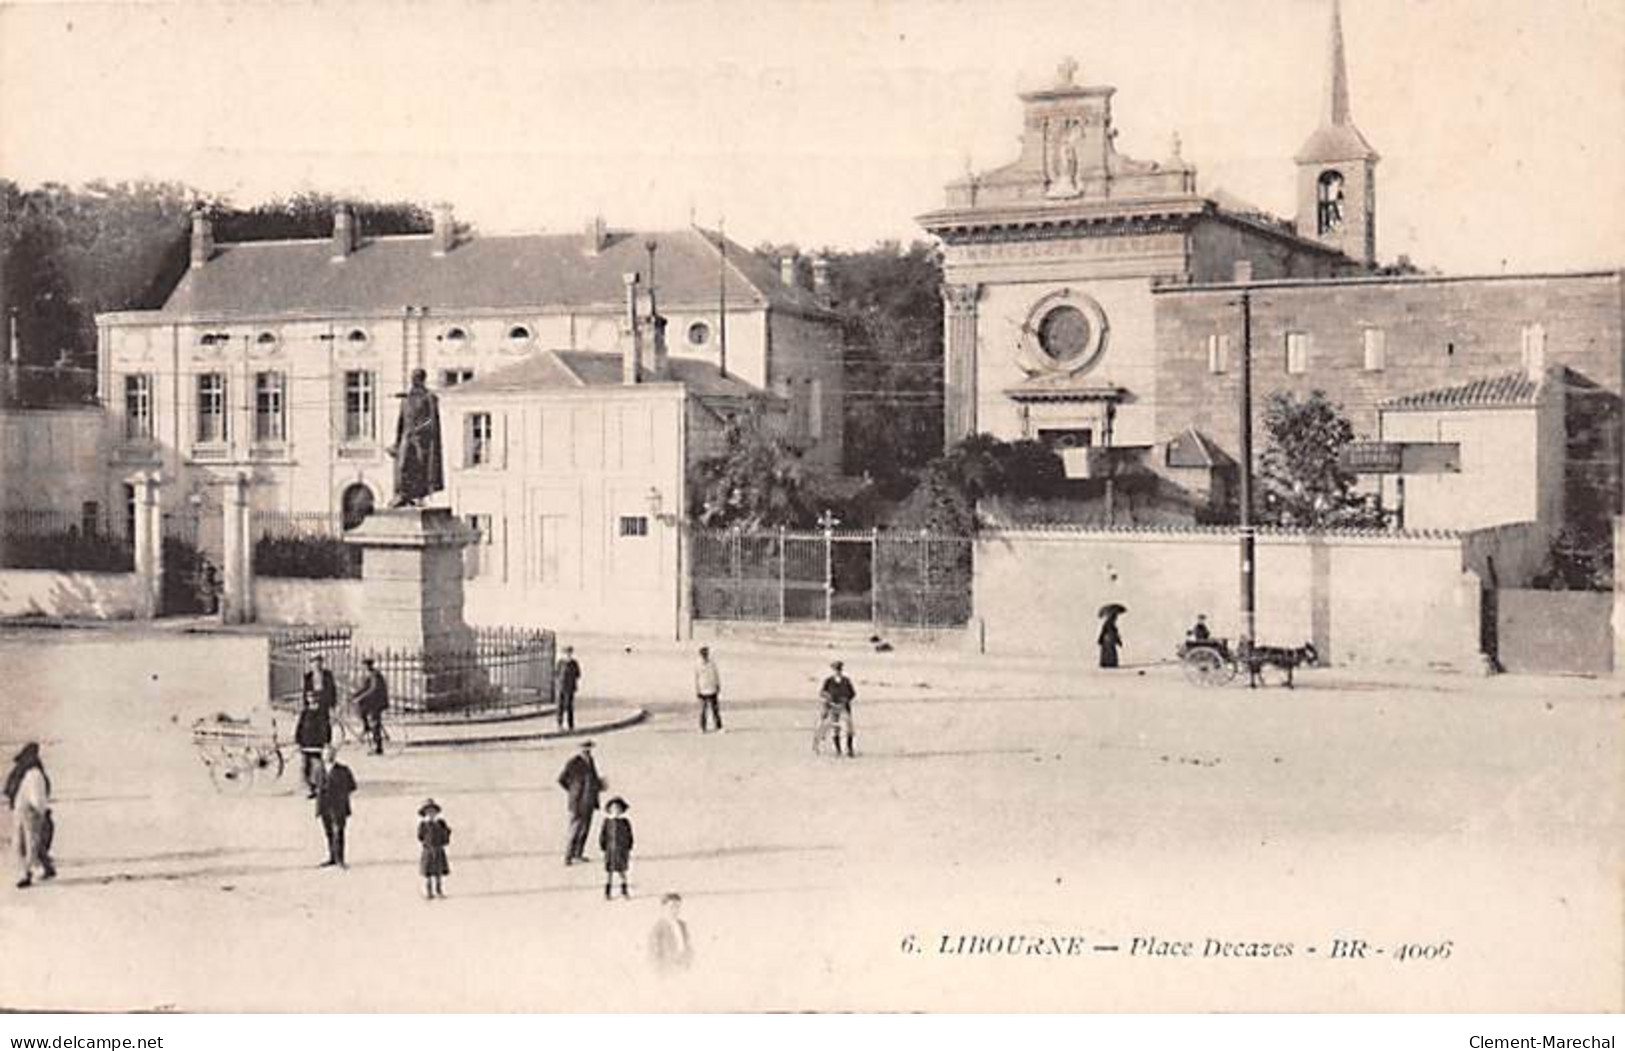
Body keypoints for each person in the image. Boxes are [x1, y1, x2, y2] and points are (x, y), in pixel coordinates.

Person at [388, 368, 444, 508]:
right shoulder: (406, 399)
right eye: (413, 377)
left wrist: (419, 428)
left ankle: (415, 495)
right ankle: (403, 494)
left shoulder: (429, 397)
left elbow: (431, 421)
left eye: (417, 377)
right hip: (407, 437)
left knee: (419, 468)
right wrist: (397, 441)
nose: (414, 380)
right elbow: (400, 422)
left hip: (422, 440)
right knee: (402, 466)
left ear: (422, 379)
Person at [6, 742, 55, 889]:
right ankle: (41, 869)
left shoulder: (28, 774)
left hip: (28, 812)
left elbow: (34, 797)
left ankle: (26, 873)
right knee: (33, 843)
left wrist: (40, 810)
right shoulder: (35, 773)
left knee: (26, 844)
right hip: (28, 812)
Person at [557, 740, 604, 865]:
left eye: (588, 748)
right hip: (577, 802)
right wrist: (573, 790)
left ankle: (578, 854)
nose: (587, 750)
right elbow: (561, 779)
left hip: (589, 801)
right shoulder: (574, 762)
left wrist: (599, 785)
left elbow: (593, 779)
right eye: (584, 748)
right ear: (579, 749)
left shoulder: (591, 761)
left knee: (585, 830)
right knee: (575, 829)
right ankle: (568, 856)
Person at [315, 745, 357, 868]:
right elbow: (315, 784)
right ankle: (332, 857)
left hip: (338, 806)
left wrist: (341, 795)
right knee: (328, 833)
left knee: (339, 832)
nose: (327, 757)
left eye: (330, 754)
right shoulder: (319, 769)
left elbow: (352, 786)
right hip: (324, 806)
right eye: (325, 755)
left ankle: (340, 859)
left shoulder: (343, 770)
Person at [294, 693, 332, 798]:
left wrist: (327, 741)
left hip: (317, 742)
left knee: (317, 765)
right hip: (306, 742)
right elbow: (300, 726)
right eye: (310, 698)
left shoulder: (322, 712)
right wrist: (298, 739)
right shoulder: (305, 712)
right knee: (306, 766)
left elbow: (326, 727)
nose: (311, 700)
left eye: (313, 698)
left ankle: (319, 786)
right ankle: (311, 787)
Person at [817, 660, 856, 758]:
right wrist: (828, 698)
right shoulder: (828, 681)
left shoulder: (846, 680)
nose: (837, 671)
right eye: (836, 669)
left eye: (839, 669)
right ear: (833, 670)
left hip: (844, 707)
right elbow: (822, 692)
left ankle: (849, 748)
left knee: (849, 728)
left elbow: (852, 693)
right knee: (835, 729)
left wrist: (846, 699)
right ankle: (838, 750)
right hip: (832, 707)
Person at [351, 657, 390, 756]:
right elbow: (364, 688)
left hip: (377, 702)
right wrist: (354, 695)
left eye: (364, 666)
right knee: (360, 711)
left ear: (368, 666)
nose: (362, 668)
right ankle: (366, 726)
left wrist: (360, 698)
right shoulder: (369, 675)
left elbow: (373, 689)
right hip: (372, 702)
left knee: (374, 723)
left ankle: (378, 747)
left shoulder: (375, 675)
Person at [648, 893, 694, 975]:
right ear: (664, 908)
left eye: (678, 907)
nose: (675, 910)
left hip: (684, 968)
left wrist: (689, 962)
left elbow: (688, 945)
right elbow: (655, 954)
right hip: (668, 970)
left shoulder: (682, 925)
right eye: (672, 907)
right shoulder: (658, 928)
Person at [599, 796, 634, 900]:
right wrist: (603, 846)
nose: (616, 811)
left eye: (618, 809)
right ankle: (607, 892)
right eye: (613, 808)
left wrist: (628, 847)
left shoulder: (625, 822)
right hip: (610, 851)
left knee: (622, 872)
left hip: (621, 851)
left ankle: (624, 890)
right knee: (609, 873)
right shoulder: (607, 822)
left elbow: (629, 836)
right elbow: (603, 835)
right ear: (609, 809)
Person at [417, 799, 451, 900]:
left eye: (433, 811)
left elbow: (445, 838)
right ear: (425, 813)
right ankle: (429, 892)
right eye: (428, 812)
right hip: (428, 851)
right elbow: (420, 837)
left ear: (436, 812)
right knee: (428, 873)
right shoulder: (423, 825)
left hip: (438, 850)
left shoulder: (440, 824)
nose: (431, 814)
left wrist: (446, 832)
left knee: (438, 873)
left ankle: (439, 890)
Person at [695, 646, 722, 733]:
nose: (705, 654)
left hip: (712, 688)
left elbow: (716, 674)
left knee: (715, 709)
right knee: (703, 710)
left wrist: (718, 685)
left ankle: (719, 727)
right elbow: (696, 678)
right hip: (703, 689)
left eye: (706, 652)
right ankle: (702, 727)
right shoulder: (698, 664)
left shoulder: (712, 663)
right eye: (703, 653)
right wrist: (697, 690)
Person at [555, 646, 581, 732]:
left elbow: (578, 674)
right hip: (561, 687)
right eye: (566, 653)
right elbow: (556, 673)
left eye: (569, 653)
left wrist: (574, 684)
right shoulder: (560, 663)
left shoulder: (574, 663)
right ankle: (560, 724)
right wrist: (558, 684)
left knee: (569, 707)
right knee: (560, 707)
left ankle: (571, 725)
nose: (567, 655)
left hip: (570, 688)